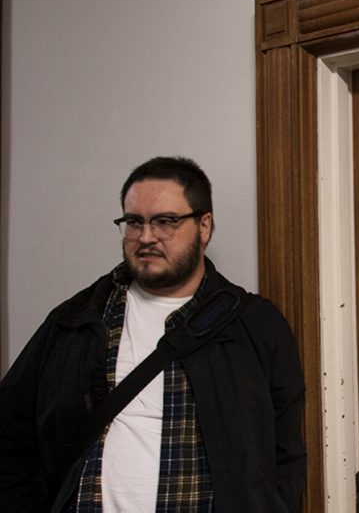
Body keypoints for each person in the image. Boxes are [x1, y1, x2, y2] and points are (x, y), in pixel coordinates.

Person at [0, 156, 306, 512]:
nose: (146, 237)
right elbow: (10, 437)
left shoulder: (254, 325)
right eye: (134, 222)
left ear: (204, 226)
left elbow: (286, 457)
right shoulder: (75, 321)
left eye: (166, 221)